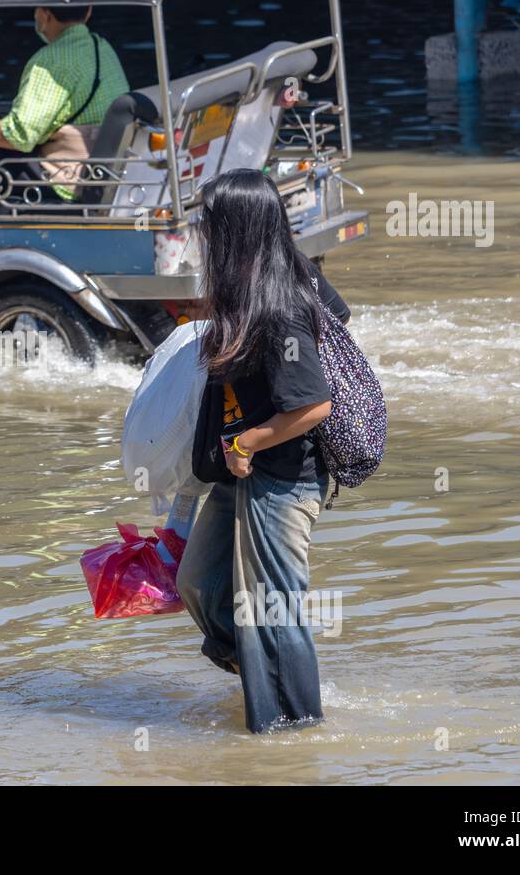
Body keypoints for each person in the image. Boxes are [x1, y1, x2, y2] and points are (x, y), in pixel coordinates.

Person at [175, 168, 351, 734]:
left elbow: (313, 407)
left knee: (272, 617)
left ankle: (292, 738)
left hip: (281, 478)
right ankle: (258, 679)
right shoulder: (260, 290)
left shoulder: (279, 310)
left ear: (236, 232)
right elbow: (340, 312)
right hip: (238, 475)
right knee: (198, 582)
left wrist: (248, 441)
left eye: (209, 225)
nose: (201, 235)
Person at [0, 5, 128, 215]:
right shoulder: (102, 47)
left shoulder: (51, 59)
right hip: (96, 171)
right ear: (89, 11)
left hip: (62, 182)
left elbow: (20, 136)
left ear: (44, 15)